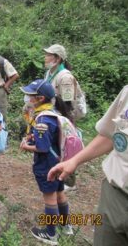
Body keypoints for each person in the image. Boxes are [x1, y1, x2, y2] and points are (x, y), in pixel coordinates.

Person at [48, 85, 128, 246]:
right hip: (115, 191)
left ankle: (54, 230)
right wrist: (75, 160)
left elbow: (67, 102)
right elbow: (111, 135)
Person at [19, 79, 72, 245]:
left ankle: (50, 235)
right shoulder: (53, 112)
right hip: (59, 161)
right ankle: (66, 226)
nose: (27, 98)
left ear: (40, 98)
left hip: (47, 165)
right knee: (60, 193)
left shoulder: (42, 120)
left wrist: (26, 147)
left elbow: (42, 147)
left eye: (30, 95)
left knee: (50, 198)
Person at [43, 44, 84, 189]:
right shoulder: (50, 73)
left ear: (57, 58)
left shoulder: (65, 77)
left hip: (63, 117)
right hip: (54, 115)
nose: (45, 57)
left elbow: (68, 103)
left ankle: (68, 180)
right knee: (56, 146)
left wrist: (66, 122)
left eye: (48, 55)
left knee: (66, 147)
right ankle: (57, 173)